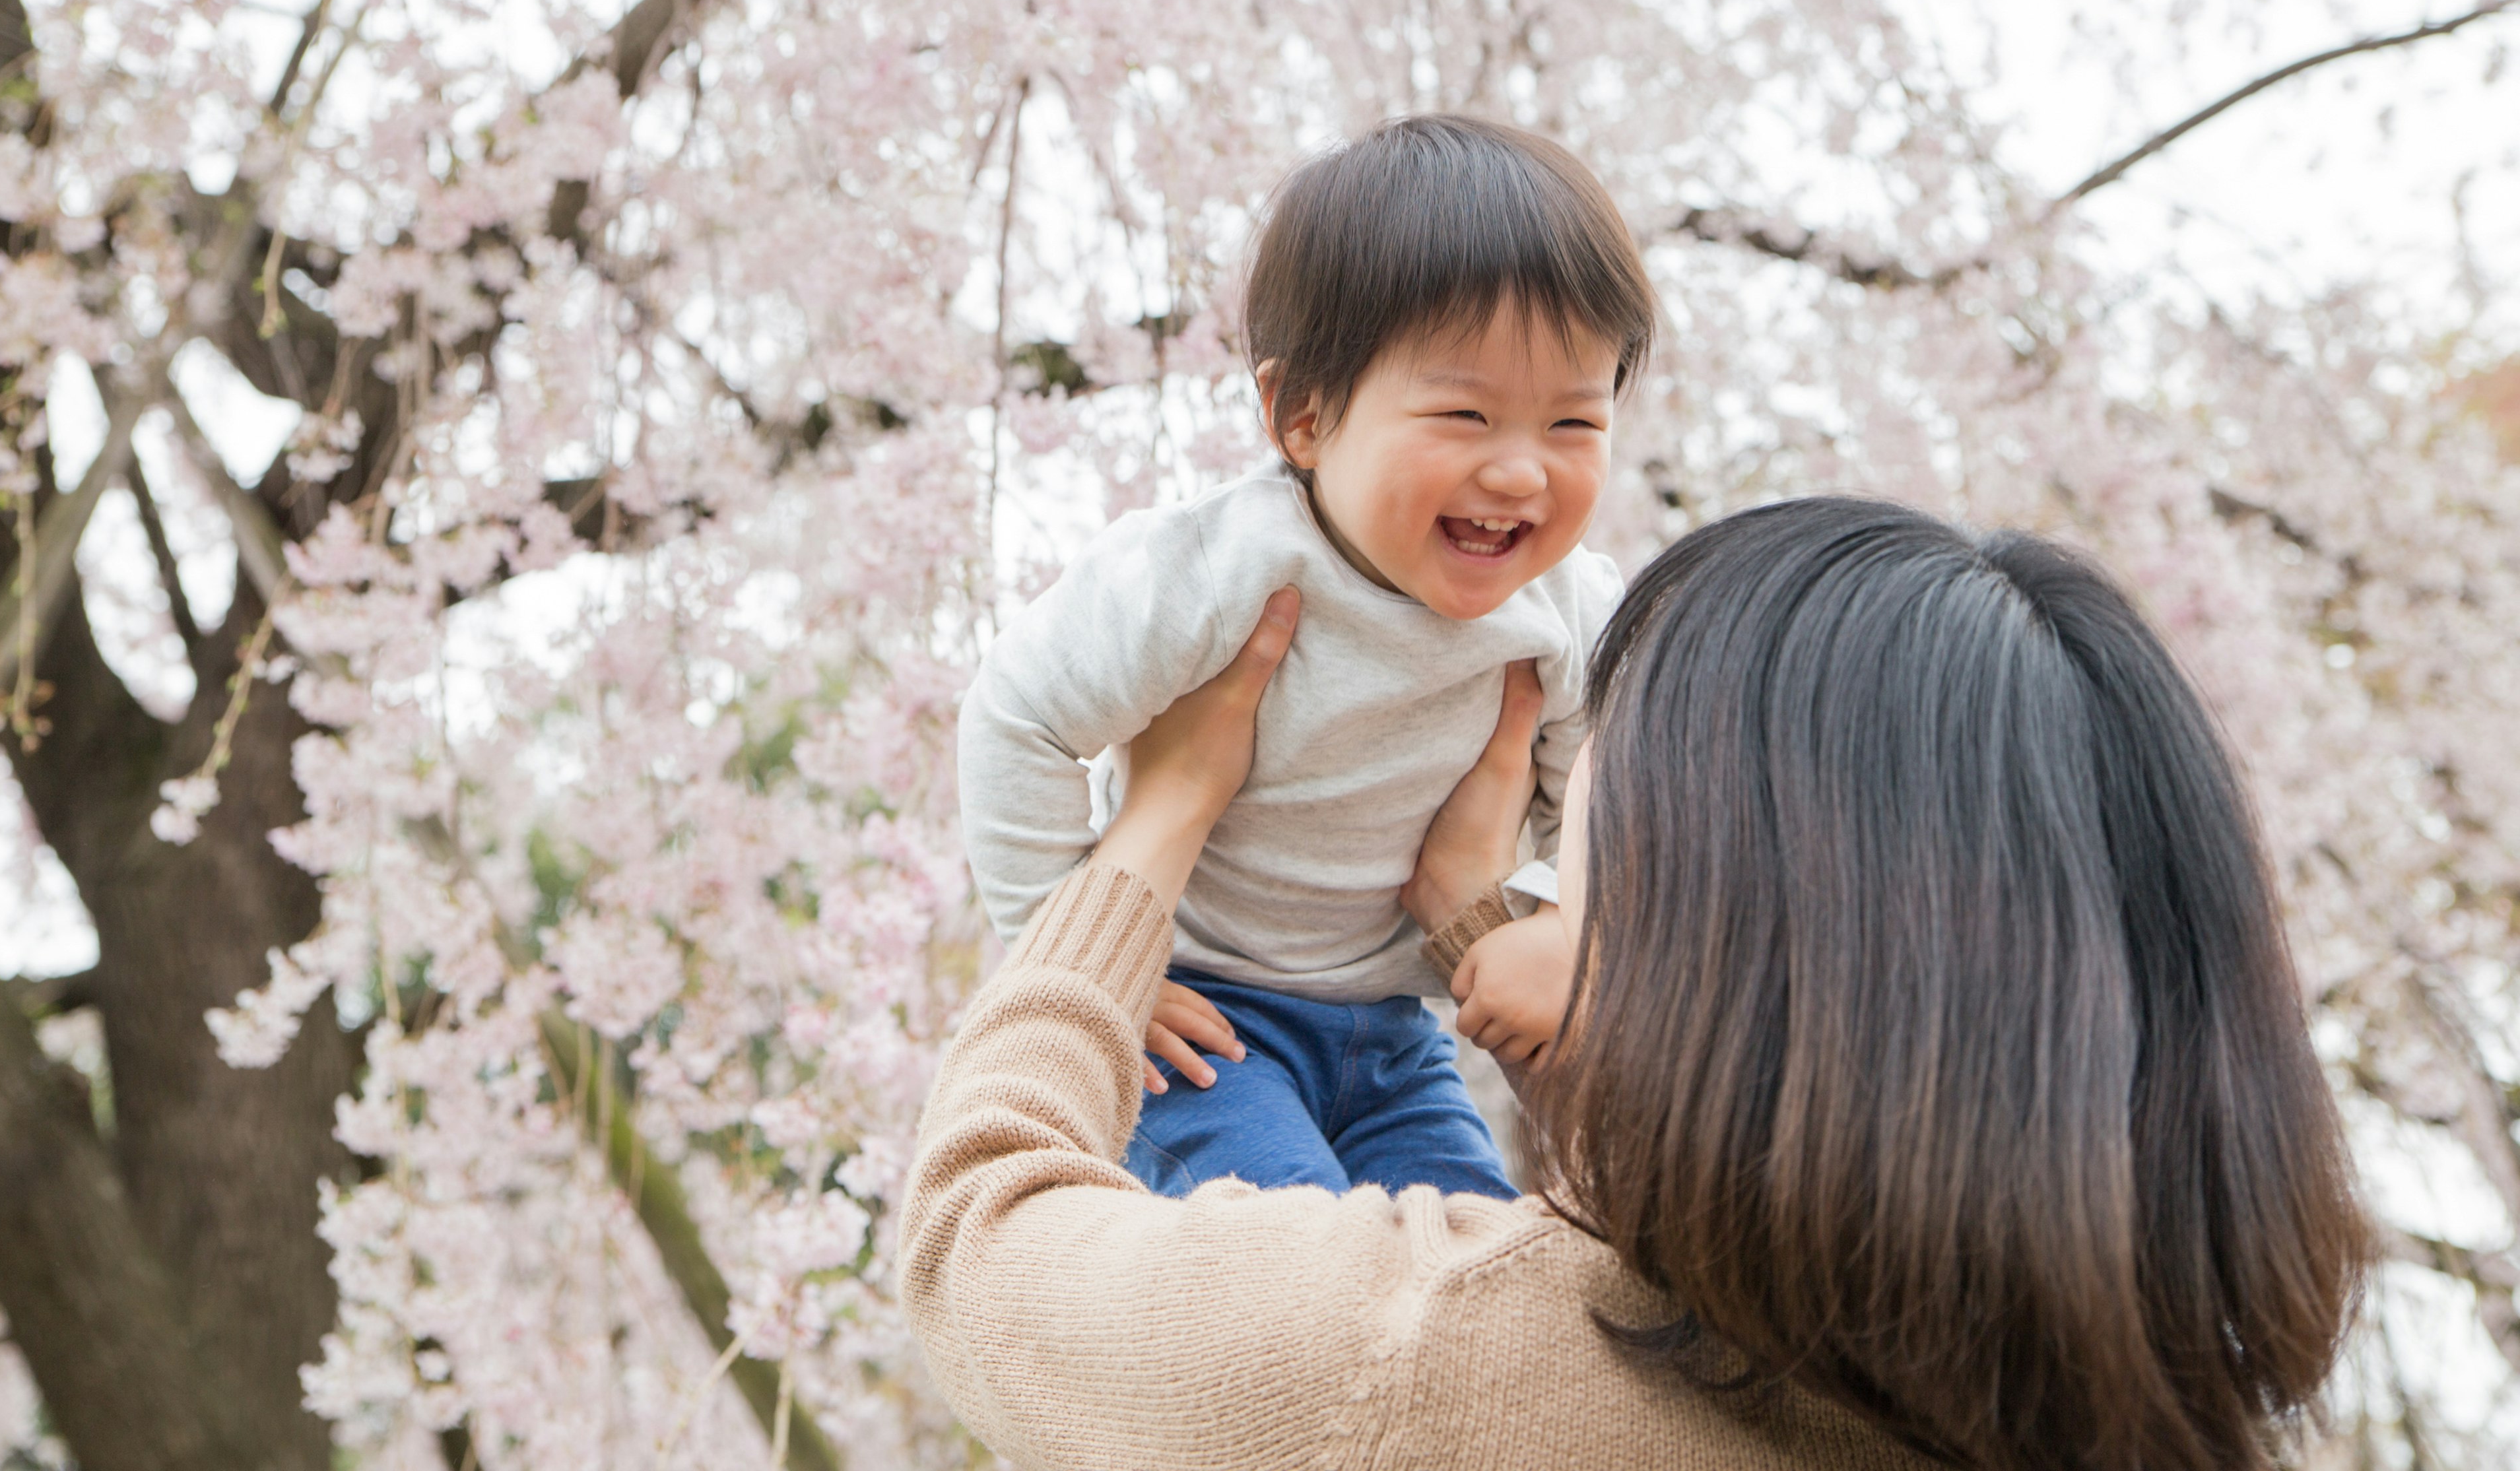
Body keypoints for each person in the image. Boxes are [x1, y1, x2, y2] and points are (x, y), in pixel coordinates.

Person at [902, 496, 2369, 1471]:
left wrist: (1151, 836)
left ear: (1716, 940)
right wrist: (1480, 921)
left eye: (1581, 866)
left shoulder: (1429, 1358)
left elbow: (981, 1241)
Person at [954, 114, 1653, 1199]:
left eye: (1574, 425)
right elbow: (1018, 718)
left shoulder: (1569, 608)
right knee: (1311, 1270)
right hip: (1203, 1026)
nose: (1522, 474)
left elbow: (1606, 801)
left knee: (1469, 1270)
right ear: (1304, 418)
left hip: (1397, 1044)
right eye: (1465, 413)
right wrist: (1088, 973)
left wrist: (1553, 926)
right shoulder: (1220, 570)